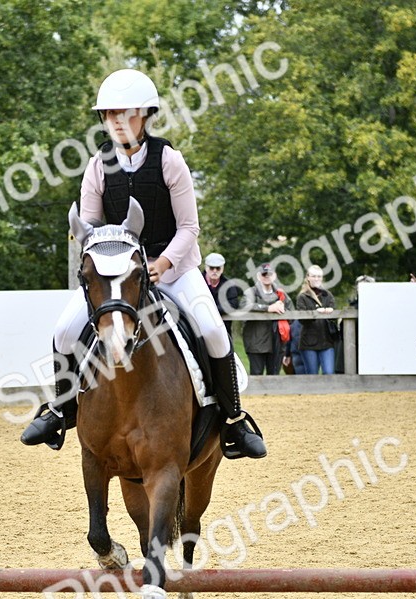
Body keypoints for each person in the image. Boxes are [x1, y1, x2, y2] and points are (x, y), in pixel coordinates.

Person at [20, 68, 267, 459]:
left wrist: (164, 263)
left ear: (145, 115)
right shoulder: (97, 166)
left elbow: (189, 227)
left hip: (174, 270)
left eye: (126, 113)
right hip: (119, 276)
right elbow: (90, 230)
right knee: (64, 331)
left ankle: (233, 420)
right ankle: (60, 410)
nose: (116, 121)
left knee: (213, 331)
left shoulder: (169, 160)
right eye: (109, 114)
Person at [242, 263, 291, 375]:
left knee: (274, 375)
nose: (267, 276)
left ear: (275, 275)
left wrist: (282, 310)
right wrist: (268, 308)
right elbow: (244, 305)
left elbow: (291, 313)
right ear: (258, 276)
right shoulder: (251, 292)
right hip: (256, 343)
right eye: (264, 274)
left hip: (277, 342)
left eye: (270, 274)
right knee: (257, 374)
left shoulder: (281, 294)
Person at [291, 266, 338, 375]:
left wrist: (331, 312)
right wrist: (316, 313)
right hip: (309, 342)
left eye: (319, 276)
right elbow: (302, 320)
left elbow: (334, 314)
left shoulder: (327, 295)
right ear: (308, 277)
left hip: (327, 340)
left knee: (329, 372)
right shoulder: (302, 297)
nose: (316, 279)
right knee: (312, 375)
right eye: (313, 276)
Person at [202, 252, 241, 335]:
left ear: (222, 269)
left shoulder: (229, 285)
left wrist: (212, 310)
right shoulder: (197, 282)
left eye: (218, 268)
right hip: (201, 329)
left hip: (223, 329)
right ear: (206, 267)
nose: (214, 271)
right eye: (211, 268)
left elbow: (233, 304)